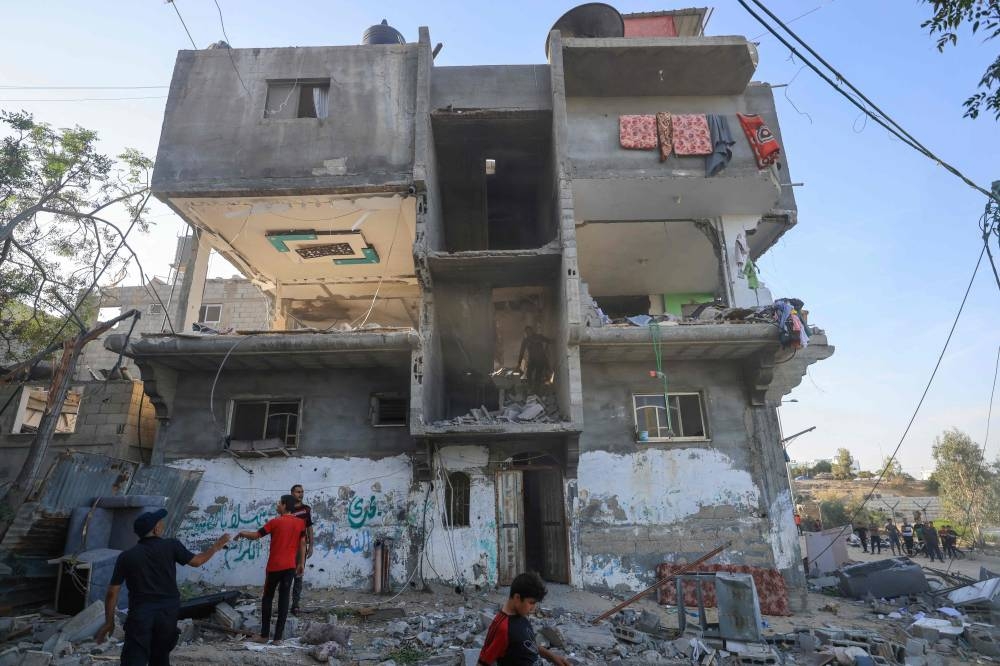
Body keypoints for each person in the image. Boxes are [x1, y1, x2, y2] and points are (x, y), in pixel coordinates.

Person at [95, 509, 230, 666]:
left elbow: (112, 592)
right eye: (160, 522)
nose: (162, 525)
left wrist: (109, 622)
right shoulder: (171, 546)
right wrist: (215, 547)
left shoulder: (126, 556)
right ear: (155, 529)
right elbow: (197, 561)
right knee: (160, 658)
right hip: (168, 615)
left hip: (140, 615)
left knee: (134, 660)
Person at [236, 494, 306, 643]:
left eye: (279, 503)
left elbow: (256, 535)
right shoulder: (300, 523)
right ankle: (278, 639)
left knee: (267, 598)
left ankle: (264, 635)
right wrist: (301, 563)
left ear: (285, 505)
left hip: (274, 566)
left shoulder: (275, 522)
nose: (277, 505)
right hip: (290, 567)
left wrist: (242, 533)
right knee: (284, 599)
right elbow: (302, 544)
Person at [478, 572, 570, 666]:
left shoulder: (521, 616)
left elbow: (528, 645)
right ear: (517, 597)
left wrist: (553, 657)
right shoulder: (503, 628)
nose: (533, 608)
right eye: (531, 603)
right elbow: (483, 661)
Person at [289, 484, 314, 615]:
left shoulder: (306, 510)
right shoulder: (287, 509)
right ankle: (283, 604)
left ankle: (295, 605)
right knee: (286, 577)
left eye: (302, 492)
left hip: (301, 549)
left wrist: (311, 546)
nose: (301, 494)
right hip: (287, 548)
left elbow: (309, 527)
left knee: (298, 576)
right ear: (292, 493)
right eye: (298, 492)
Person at [517, 327, 552, 393]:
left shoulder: (539, 336)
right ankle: (530, 388)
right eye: (527, 332)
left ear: (532, 331)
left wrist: (556, 340)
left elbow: (548, 340)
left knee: (538, 376)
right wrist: (519, 363)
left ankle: (536, 390)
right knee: (528, 373)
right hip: (532, 360)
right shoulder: (526, 341)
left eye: (529, 331)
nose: (528, 333)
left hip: (540, 360)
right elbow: (521, 352)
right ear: (526, 333)